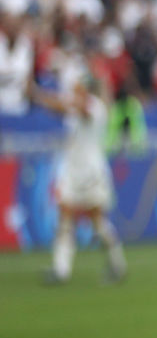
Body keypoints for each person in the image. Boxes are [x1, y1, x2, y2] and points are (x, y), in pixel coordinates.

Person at [29, 73, 127, 284]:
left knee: (98, 222)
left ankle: (117, 263)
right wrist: (40, 96)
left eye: (77, 88)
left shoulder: (95, 107)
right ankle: (60, 269)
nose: (74, 91)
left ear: (85, 89)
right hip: (72, 172)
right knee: (64, 218)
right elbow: (61, 108)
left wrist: (43, 96)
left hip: (91, 173)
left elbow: (79, 110)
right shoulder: (75, 109)